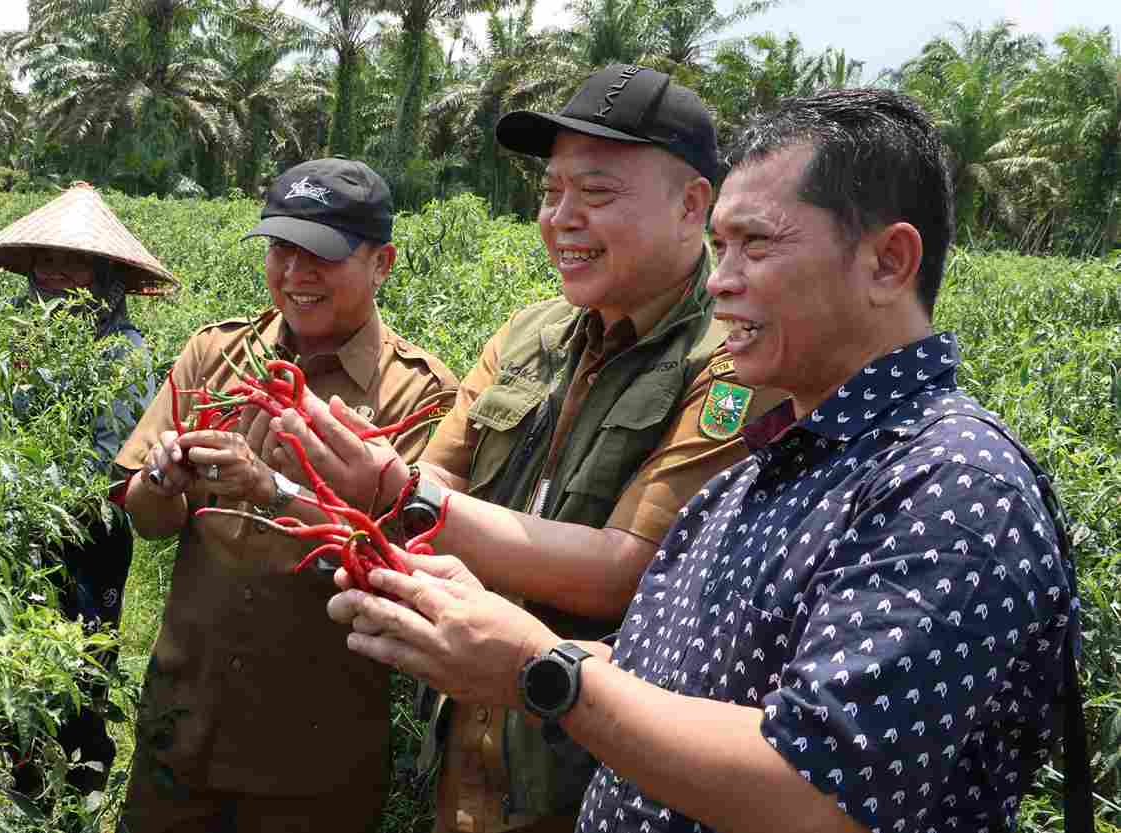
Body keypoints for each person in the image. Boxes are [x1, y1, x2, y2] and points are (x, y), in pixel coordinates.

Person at [326, 89, 1086, 833]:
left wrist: (538, 670)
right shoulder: (774, 466)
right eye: (723, 248)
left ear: (888, 262)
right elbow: (666, 667)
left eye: (757, 245)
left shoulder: (952, 486)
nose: (720, 280)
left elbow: (814, 794)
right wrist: (497, 638)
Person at [264, 65, 781, 833]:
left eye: (596, 193)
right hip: (469, 747)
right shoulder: (529, 334)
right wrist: (363, 486)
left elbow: (623, 565)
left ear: (691, 205)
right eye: (551, 191)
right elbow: (441, 472)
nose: (562, 218)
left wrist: (403, 494)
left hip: (599, 775)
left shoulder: (736, 364)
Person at [110, 158, 459, 833]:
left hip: (312, 758)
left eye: (321, 255)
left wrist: (274, 491)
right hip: (180, 729)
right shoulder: (214, 354)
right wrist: (162, 479)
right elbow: (147, 517)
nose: (295, 273)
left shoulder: (421, 394)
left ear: (381, 263)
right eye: (281, 249)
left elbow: (408, 564)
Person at [0, 181, 177, 802]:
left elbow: (112, 460)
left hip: (85, 532)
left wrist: (43, 501)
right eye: (47, 259)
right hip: (3, 527)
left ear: (104, 275)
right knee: (3, 656)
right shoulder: (1, 336)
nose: (57, 272)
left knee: (80, 660)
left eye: (75, 262)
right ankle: (14, 782)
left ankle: (82, 781)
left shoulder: (122, 352)